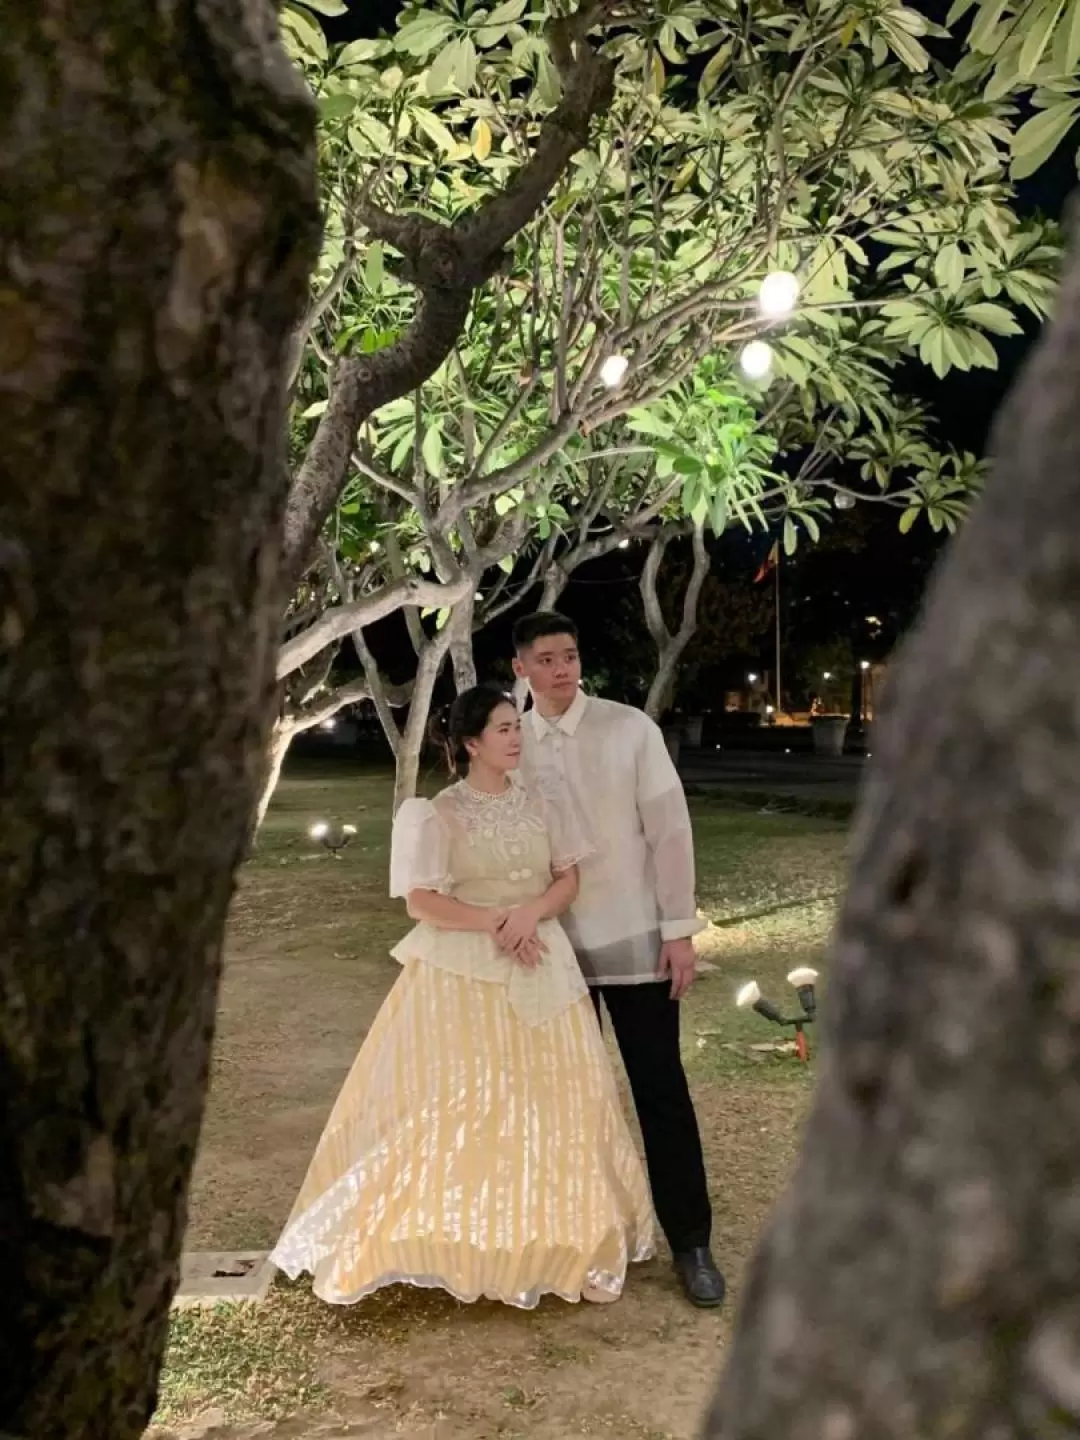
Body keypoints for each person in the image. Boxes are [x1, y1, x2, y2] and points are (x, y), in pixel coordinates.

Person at [270, 684, 655, 1309]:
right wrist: (498, 922)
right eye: (504, 728)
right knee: (461, 1102)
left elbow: (568, 877)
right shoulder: (437, 813)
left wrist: (530, 916)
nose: (516, 737)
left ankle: (570, 1241)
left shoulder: (544, 802)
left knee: (558, 1102)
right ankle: (454, 1241)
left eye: (516, 727)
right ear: (471, 743)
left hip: (542, 962)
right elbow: (420, 900)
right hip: (464, 971)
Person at [513, 613, 726, 1308]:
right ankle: (571, 1238)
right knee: (562, 1100)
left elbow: (670, 831)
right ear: (520, 668)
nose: (562, 670)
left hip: (634, 939)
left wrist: (678, 928)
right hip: (551, 952)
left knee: (660, 1092)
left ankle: (691, 1242)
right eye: (545, 659)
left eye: (570, 656)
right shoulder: (509, 740)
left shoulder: (629, 729)